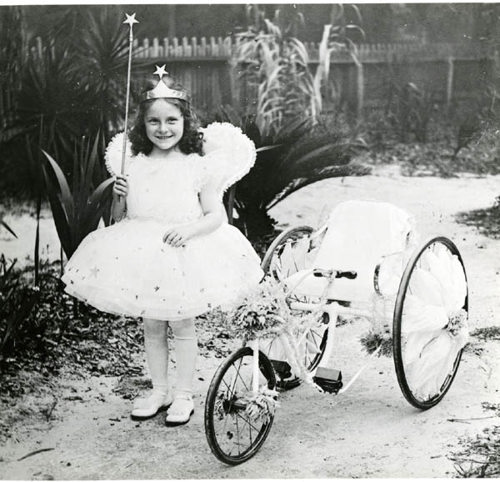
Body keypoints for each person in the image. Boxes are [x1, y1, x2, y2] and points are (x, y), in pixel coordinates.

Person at [62, 66, 264, 426]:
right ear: (143, 126)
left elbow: (216, 215)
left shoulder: (196, 166)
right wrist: (119, 197)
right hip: (144, 250)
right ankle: (159, 389)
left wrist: (190, 230)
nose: (163, 129)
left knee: (182, 324)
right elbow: (122, 217)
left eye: (171, 120)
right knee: (152, 325)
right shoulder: (134, 164)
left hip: (184, 250)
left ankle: (184, 394)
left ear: (186, 122)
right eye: (154, 122)